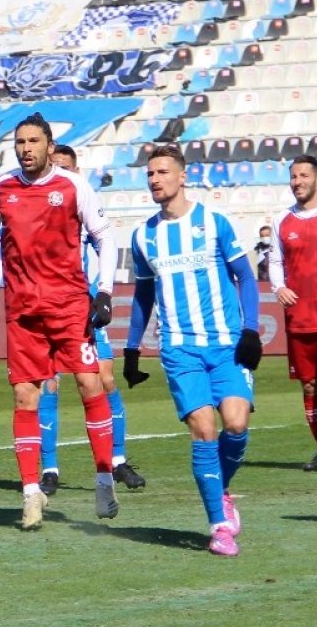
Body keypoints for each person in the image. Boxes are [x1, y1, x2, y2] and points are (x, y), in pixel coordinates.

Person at [0, 113, 119, 531]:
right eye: (20, 142)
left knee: (90, 382)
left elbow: (105, 235)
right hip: (23, 310)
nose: (26, 148)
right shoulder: (2, 187)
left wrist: (104, 291)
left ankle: (105, 476)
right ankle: (31, 493)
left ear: (50, 146)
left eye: (34, 141)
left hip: (70, 305)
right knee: (24, 396)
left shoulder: (73, 186)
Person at [123, 145, 260, 557]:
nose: (155, 180)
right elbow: (144, 295)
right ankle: (218, 525)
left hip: (226, 344)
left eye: (162, 172)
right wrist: (131, 349)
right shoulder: (143, 235)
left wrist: (251, 331)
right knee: (204, 428)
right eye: (150, 174)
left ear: (183, 176)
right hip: (179, 348)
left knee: (235, 426)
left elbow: (246, 279)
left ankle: (223, 490)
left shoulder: (214, 223)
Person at [36, 145, 145, 496]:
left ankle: (116, 461)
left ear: (77, 171)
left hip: (83, 309)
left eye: (66, 168)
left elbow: (107, 248)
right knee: (48, 385)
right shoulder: (38, 214)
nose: (60, 174)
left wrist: (104, 291)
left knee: (105, 379)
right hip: (46, 311)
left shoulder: (86, 212)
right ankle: (50, 468)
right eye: (55, 168)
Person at [268, 155, 317, 471]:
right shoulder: (281, 221)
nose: (297, 182)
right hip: (299, 318)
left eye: (303, 176)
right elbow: (274, 262)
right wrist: (278, 287)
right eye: (293, 176)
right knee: (310, 386)